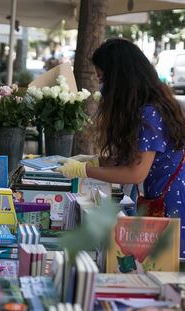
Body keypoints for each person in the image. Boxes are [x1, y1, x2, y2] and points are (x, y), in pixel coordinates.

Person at [57, 38, 185, 257]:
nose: (101, 85)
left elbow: (135, 172)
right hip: (162, 199)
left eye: (102, 78)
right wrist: (94, 160)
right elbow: (132, 159)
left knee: (167, 267)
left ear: (119, 78)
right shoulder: (148, 107)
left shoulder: (149, 114)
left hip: (173, 204)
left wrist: (85, 170)